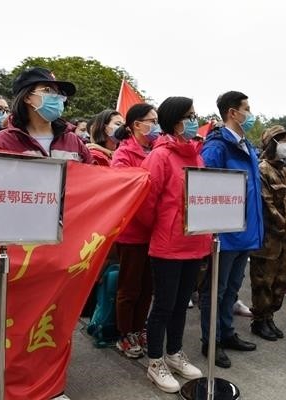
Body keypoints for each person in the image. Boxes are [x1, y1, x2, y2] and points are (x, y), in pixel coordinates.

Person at [139, 96, 208, 393]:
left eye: (194, 115)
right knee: (164, 305)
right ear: (175, 120)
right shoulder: (160, 156)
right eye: (189, 116)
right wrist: (164, 227)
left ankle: (174, 353)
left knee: (181, 304)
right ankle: (155, 361)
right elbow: (146, 203)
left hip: (194, 242)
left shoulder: (196, 154)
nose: (194, 121)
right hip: (168, 245)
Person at [199, 91, 263, 369]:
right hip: (225, 234)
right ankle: (210, 341)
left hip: (246, 231)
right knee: (216, 290)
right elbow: (206, 189)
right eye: (246, 109)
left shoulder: (246, 145)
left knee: (232, 289)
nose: (250, 114)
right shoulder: (217, 146)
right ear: (232, 113)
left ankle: (226, 333)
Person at [110, 103, 159, 359]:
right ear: (136, 125)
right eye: (152, 121)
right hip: (132, 231)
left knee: (147, 286)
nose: (156, 126)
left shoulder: (157, 149)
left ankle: (139, 328)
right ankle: (124, 333)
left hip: (155, 231)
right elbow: (127, 195)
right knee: (129, 288)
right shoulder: (123, 154)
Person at [249, 125, 286, 341]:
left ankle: (269, 317)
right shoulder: (261, 170)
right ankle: (259, 320)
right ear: (271, 144)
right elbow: (266, 204)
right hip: (269, 240)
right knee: (263, 283)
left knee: (281, 283)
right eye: (282, 140)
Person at [0, 67, 92, 163]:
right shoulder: (2, 142)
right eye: (48, 90)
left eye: (58, 92)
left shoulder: (73, 141)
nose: (56, 96)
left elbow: (92, 175)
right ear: (27, 97)